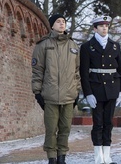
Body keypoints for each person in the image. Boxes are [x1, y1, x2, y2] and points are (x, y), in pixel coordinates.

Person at [31, 14, 81, 164]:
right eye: (58, 22)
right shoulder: (43, 45)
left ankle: (62, 158)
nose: (61, 24)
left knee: (65, 128)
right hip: (50, 95)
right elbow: (37, 71)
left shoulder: (73, 46)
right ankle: (52, 158)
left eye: (64, 22)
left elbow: (77, 71)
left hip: (69, 96)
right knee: (51, 129)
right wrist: (37, 93)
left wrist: (77, 92)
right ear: (52, 25)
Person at [80, 15, 121, 164]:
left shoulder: (114, 46)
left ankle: (107, 155)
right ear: (95, 28)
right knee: (98, 123)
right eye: (101, 26)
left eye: (106, 25)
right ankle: (98, 157)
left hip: (112, 88)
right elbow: (84, 73)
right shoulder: (87, 47)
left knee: (108, 123)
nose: (104, 28)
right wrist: (88, 93)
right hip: (96, 88)